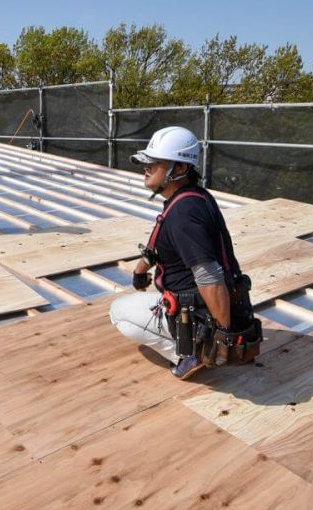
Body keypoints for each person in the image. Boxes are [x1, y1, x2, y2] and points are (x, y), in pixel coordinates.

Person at [108, 126, 259, 379]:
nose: (146, 168)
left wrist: (223, 336)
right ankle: (202, 340)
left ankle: (191, 352)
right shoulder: (193, 197)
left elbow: (209, 277)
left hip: (199, 316)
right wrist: (141, 269)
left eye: (154, 162)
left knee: (119, 312)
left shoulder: (183, 215)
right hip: (216, 305)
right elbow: (160, 240)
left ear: (180, 168)